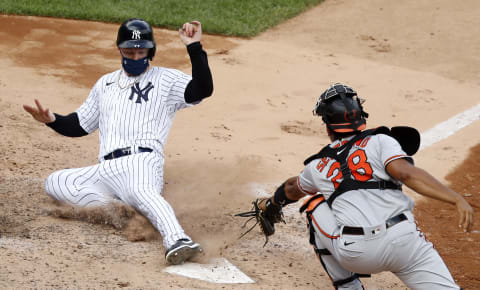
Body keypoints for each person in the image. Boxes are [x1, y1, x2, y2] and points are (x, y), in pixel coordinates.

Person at [23, 18, 213, 265]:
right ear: (119, 49)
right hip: (106, 169)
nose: (134, 57)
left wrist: (194, 48)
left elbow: (203, 89)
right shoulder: (105, 84)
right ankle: (123, 211)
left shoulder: (166, 80)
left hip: (141, 162)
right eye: (129, 52)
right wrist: (51, 119)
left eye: (140, 52)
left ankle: (178, 239)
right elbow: (79, 124)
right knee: (57, 182)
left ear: (150, 51)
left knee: (140, 191)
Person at [256, 83, 474, 289]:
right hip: (405, 243)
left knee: (313, 204)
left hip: (359, 254)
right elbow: (406, 173)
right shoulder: (382, 141)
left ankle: (348, 286)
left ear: (328, 125)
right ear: (361, 115)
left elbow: (293, 188)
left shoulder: (317, 165)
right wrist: (456, 198)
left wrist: (273, 204)